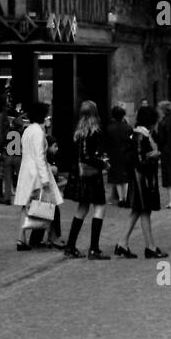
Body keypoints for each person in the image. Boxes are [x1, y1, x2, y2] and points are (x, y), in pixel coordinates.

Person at [114, 105, 167, 259]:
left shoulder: (143, 134)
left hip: (141, 178)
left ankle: (122, 244)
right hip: (141, 179)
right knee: (144, 211)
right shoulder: (140, 135)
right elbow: (139, 161)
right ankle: (150, 247)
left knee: (138, 211)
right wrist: (154, 156)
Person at [63, 100, 110, 259]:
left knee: (82, 208)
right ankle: (94, 248)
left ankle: (70, 245)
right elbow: (89, 157)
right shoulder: (94, 132)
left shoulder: (78, 132)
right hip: (92, 175)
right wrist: (103, 164)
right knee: (100, 207)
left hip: (79, 174)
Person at [13, 101, 63, 251]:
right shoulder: (39, 132)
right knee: (48, 204)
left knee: (25, 207)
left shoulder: (28, 130)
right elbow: (40, 157)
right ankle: (51, 237)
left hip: (26, 171)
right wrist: (45, 179)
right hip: (36, 173)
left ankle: (21, 239)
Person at [105, 105, 133, 206]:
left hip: (114, 155)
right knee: (125, 178)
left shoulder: (109, 129)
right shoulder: (128, 128)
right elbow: (131, 142)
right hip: (126, 154)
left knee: (116, 178)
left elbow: (107, 143)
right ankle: (125, 198)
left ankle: (121, 198)